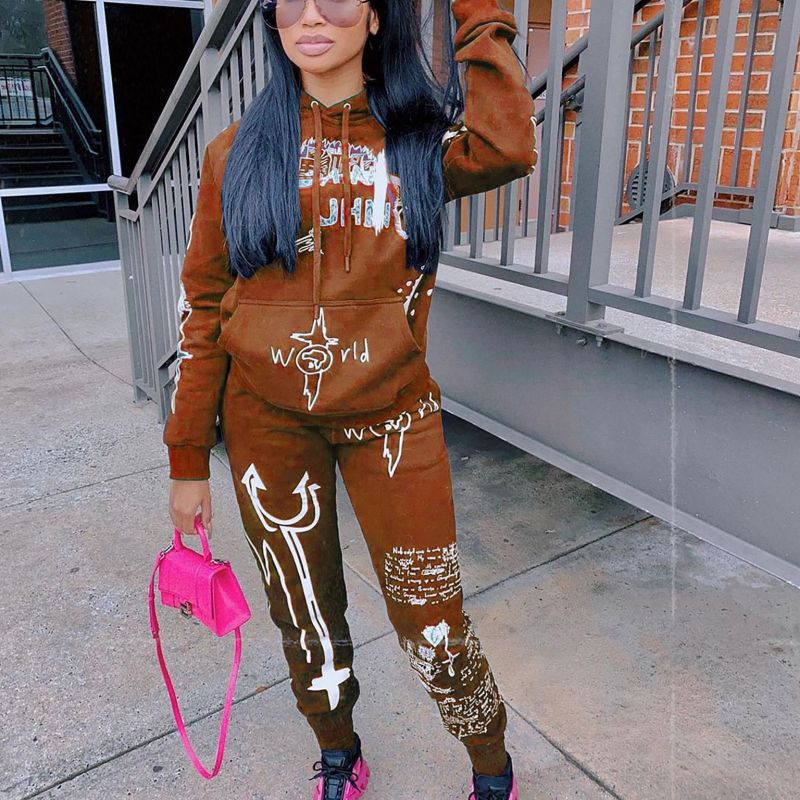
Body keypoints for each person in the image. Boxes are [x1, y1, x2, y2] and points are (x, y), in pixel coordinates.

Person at [164, 0, 537, 795]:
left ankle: (490, 761)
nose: (310, 16)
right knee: (303, 610)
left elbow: (509, 145)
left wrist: (479, 16)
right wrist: (188, 455)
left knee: (432, 620)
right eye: (290, 2)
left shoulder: (421, 145)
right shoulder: (238, 153)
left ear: (374, 18)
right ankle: (338, 750)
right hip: (266, 424)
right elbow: (205, 306)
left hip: (393, 419)